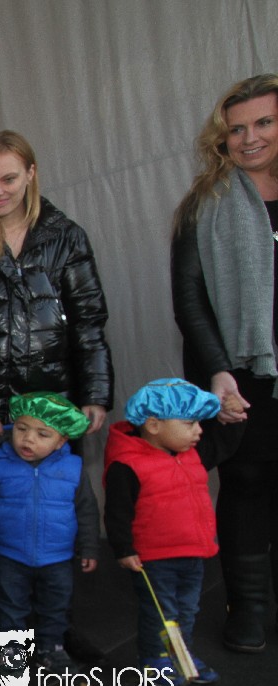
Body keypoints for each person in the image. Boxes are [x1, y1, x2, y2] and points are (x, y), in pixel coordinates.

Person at [0, 130, 113, 659]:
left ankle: (55, 627)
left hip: (55, 409)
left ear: (31, 173)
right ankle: (1, 630)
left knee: (55, 516)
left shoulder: (67, 237)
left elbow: (89, 322)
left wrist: (96, 392)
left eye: (8, 178)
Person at [171, 73, 278, 654]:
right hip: (240, 375)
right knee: (246, 482)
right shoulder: (205, 206)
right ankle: (248, 607)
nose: (249, 138)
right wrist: (218, 371)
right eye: (237, 129)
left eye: (264, 123)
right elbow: (189, 300)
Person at [104, 379, 244, 686]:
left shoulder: (191, 453)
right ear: (154, 425)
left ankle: (181, 655)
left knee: (187, 609)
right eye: (189, 423)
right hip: (154, 558)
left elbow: (223, 446)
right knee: (160, 612)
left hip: (192, 553)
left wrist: (234, 419)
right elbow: (117, 512)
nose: (199, 431)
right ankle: (155, 660)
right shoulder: (127, 464)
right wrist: (124, 548)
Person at [0, 393, 98, 674]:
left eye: (42, 434)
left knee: (55, 605)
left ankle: (51, 649)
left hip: (57, 558)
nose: (28, 439)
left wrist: (89, 547)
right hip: (11, 554)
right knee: (9, 606)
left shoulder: (73, 469)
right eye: (21, 429)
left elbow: (86, 511)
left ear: (61, 441)